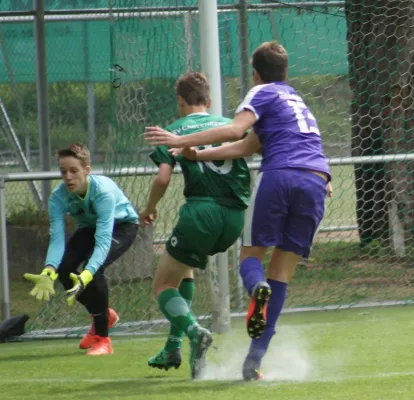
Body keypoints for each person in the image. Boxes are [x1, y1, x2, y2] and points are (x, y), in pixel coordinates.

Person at [144, 41, 332, 380]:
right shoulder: (296, 100)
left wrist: (179, 141)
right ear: (286, 70)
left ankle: (254, 288)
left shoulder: (260, 94)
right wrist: (197, 154)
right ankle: (254, 361)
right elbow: (246, 145)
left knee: (250, 257)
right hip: (317, 179)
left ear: (255, 73)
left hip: (280, 176)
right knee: (283, 273)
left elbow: (234, 130)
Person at [141, 71, 251, 379]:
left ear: (180, 100)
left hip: (201, 213)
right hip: (234, 218)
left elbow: (163, 177)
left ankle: (192, 331)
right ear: (209, 100)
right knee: (183, 269)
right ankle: (173, 346)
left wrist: (149, 209)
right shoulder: (230, 125)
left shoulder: (175, 131)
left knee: (163, 285)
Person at [24, 143, 139, 356]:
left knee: (94, 270)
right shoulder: (57, 197)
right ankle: (104, 315)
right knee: (64, 268)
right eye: (63, 171)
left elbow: (103, 240)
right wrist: (48, 270)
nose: (68, 177)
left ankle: (103, 340)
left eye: (74, 171)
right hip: (88, 227)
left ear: (87, 170)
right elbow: (57, 240)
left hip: (122, 227)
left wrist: (87, 274)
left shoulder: (103, 192)